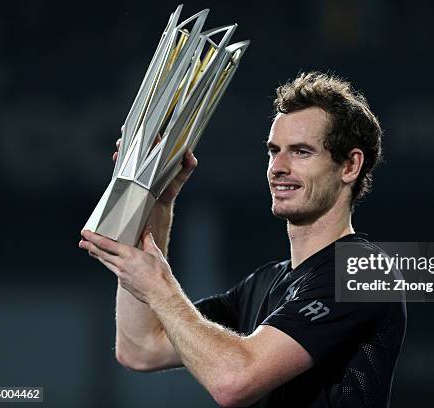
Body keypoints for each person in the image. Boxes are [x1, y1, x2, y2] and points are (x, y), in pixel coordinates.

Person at [79, 71, 406, 407]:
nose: (278, 166)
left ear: (350, 166)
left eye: (301, 152)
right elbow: (141, 347)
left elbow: (234, 382)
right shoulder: (263, 283)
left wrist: (158, 285)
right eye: (273, 150)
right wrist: (156, 201)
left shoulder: (365, 272)